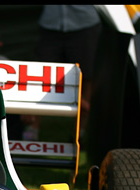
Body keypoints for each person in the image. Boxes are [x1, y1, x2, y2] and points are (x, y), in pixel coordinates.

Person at [35, 5, 103, 135]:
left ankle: (80, 132)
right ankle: (32, 130)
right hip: (50, 23)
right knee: (41, 75)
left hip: (84, 23)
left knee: (85, 77)